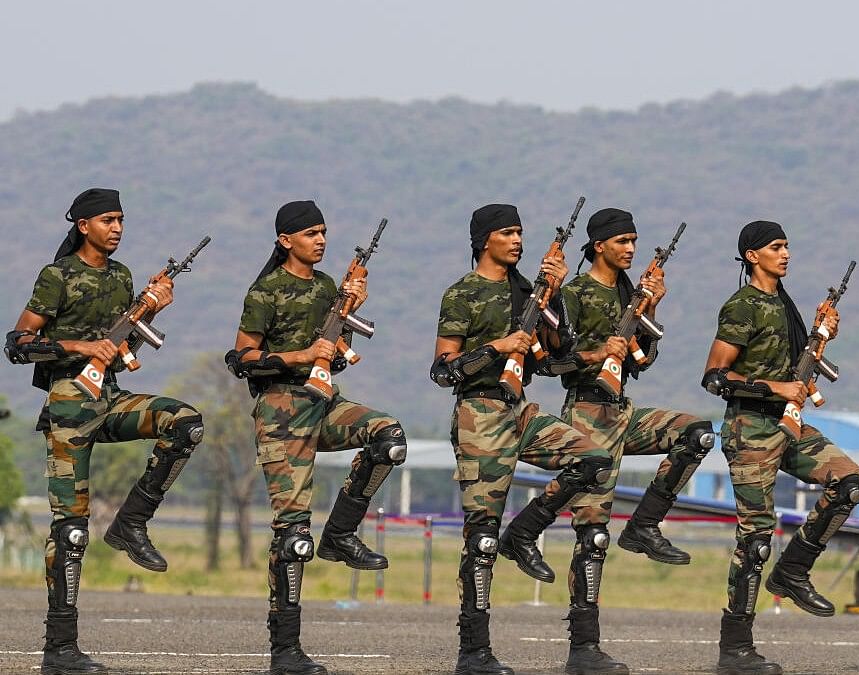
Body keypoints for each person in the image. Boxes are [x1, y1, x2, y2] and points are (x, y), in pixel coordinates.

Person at [6, 188, 204, 675]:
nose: (117, 228)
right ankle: (60, 648)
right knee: (71, 533)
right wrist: (82, 346)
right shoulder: (58, 276)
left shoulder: (122, 277)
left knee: (185, 422)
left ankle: (131, 522)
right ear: (83, 226)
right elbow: (18, 342)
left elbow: (124, 341)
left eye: (121, 220)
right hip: (69, 407)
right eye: (108, 220)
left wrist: (151, 309)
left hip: (111, 401)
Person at [431, 203, 614, 675]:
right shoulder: (463, 294)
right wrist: (495, 348)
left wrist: (552, 296)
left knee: (593, 460)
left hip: (522, 410)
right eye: (507, 233)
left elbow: (559, 357)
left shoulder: (527, 292)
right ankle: (473, 652)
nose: (517, 240)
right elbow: (443, 370)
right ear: (484, 239)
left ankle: (525, 530)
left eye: (520, 233)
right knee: (481, 540)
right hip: (479, 415)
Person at [227, 200, 407, 675]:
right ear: (286, 240)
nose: (320, 240)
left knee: (388, 437)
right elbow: (243, 358)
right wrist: (300, 354)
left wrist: (349, 312)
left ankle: (342, 534)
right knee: (291, 536)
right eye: (310, 233)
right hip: (281, 413)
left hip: (326, 405)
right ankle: (285, 650)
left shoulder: (328, 286)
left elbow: (337, 357)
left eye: (324, 232)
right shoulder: (265, 291)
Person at [543, 207, 713, 673]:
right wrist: (599, 353)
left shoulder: (628, 293)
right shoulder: (575, 292)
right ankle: (583, 647)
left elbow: (642, 360)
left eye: (635, 241)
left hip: (624, 409)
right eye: (622, 241)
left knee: (695, 433)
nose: (631, 249)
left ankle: (643, 526)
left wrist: (651, 308)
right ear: (599, 245)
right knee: (592, 534)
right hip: (586, 414)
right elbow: (552, 361)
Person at [701, 220, 859, 675]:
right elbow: (715, 375)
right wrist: (774, 388)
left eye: (787, 246)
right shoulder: (743, 305)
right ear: (752, 256)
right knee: (755, 538)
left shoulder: (783, 303)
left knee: (849, 482)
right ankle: (735, 647)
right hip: (750, 429)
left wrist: (820, 337)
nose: (786, 253)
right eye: (776, 247)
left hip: (788, 428)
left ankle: (793, 570)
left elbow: (796, 371)